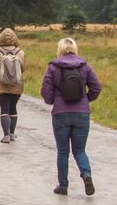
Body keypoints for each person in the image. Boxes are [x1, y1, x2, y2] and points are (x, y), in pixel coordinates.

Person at [40, 37, 102, 196]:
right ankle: (86, 174)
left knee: (62, 151)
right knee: (80, 150)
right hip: (82, 113)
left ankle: (63, 186)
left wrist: (53, 100)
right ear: (75, 48)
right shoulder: (85, 66)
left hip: (61, 113)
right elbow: (96, 87)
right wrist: (87, 99)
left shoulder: (53, 67)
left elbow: (46, 92)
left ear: (60, 49)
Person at [0, 28, 26, 144]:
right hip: (17, 85)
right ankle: (12, 133)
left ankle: (5, 135)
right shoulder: (20, 52)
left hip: (1, 85)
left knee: (4, 109)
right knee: (13, 108)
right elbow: (23, 68)